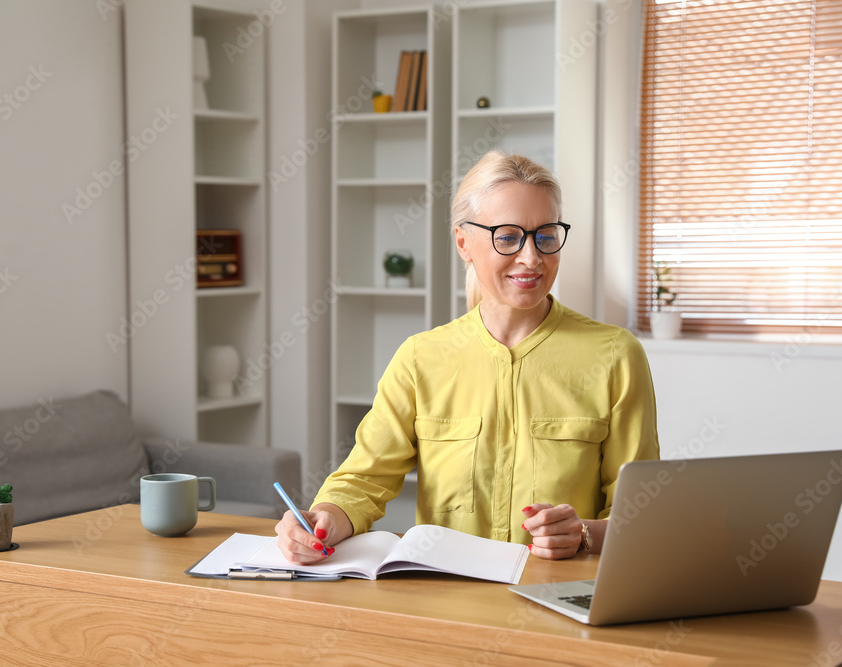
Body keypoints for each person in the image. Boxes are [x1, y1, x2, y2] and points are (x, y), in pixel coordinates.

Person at [276, 151, 659, 564]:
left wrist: (585, 534)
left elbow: (642, 511)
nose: (531, 258)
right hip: (448, 598)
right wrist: (323, 519)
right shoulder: (421, 358)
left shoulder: (616, 356)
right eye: (508, 237)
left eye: (545, 236)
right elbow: (363, 481)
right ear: (464, 242)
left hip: (559, 599)